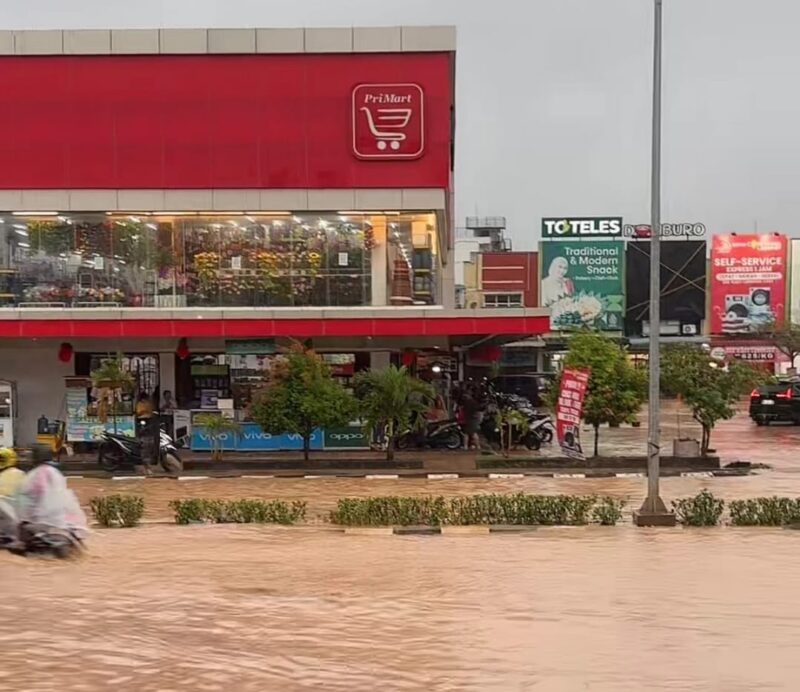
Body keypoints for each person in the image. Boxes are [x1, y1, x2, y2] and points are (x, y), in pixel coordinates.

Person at [16, 444, 87, 538]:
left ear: (35, 457)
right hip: (63, 518)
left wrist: (24, 517)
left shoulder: (35, 474)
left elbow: (27, 496)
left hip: (42, 519)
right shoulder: (55, 472)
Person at [460, 384, 483, 451]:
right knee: (472, 433)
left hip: (470, 418)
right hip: (472, 418)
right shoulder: (472, 402)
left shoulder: (468, 402)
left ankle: (467, 446)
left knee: (469, 433)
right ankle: (476, 446)